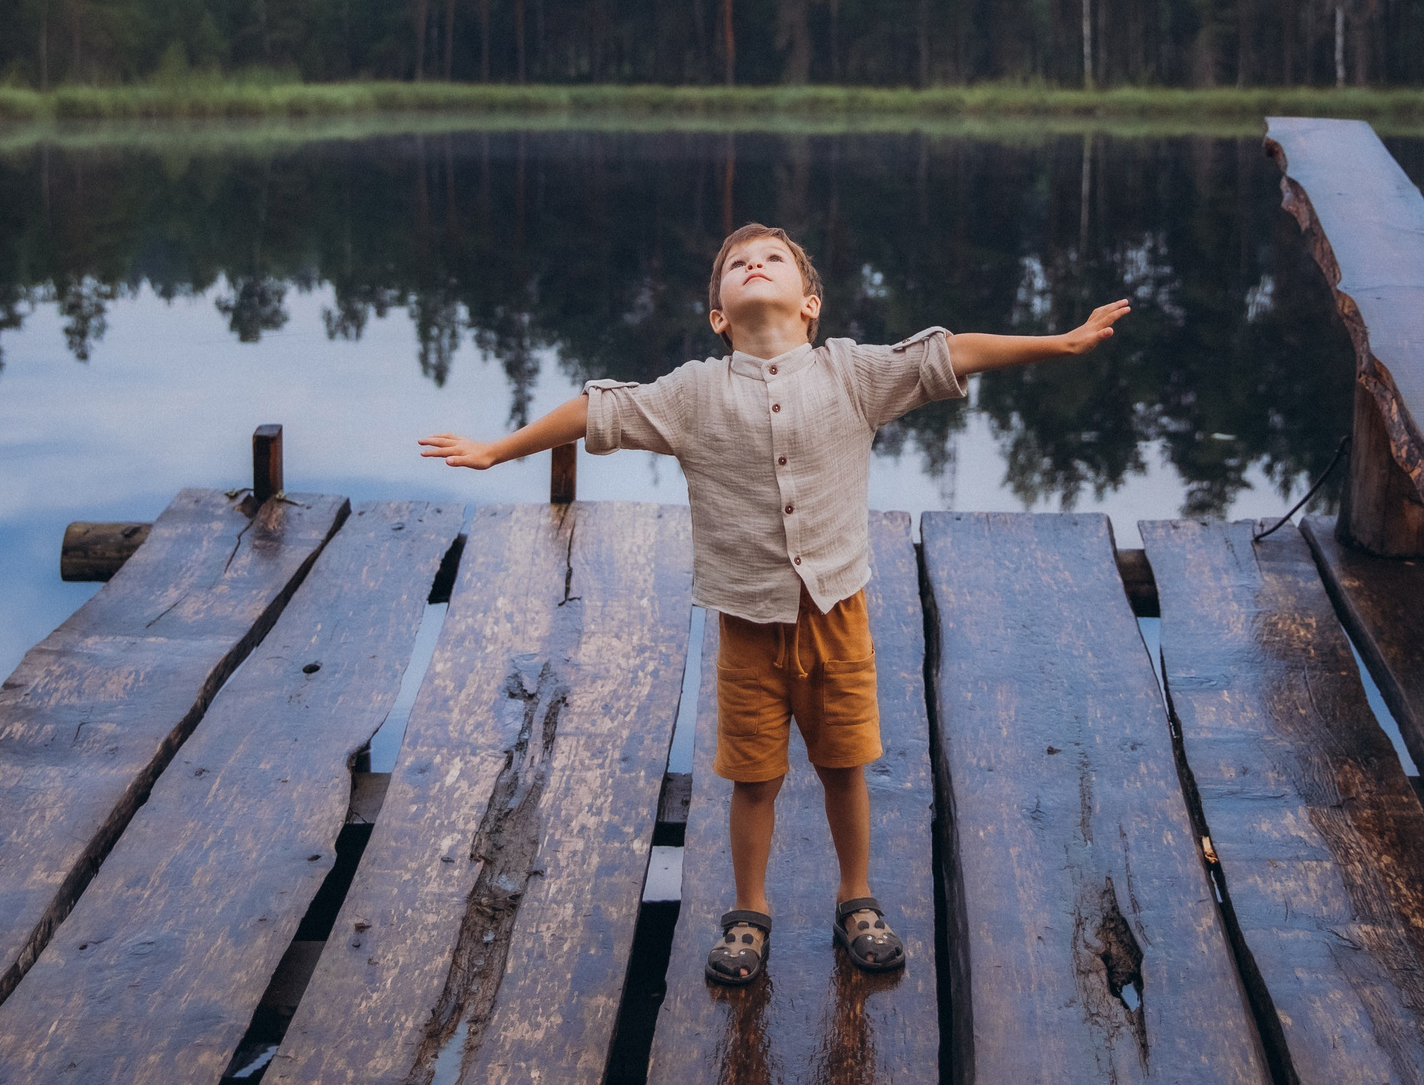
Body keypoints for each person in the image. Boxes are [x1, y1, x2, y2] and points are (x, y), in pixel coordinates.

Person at [419, 222, 1127, 985]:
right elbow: (597, 411)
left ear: (810, 303)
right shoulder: (692, 394)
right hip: (747, 627)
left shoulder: (852, 373)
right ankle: (749, 912)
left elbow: (949, 354)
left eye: (773, 260)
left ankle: (856, 899)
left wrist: (1059, 344)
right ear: (718, 316)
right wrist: (497, 449)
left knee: (844, 767)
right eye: (739, 264)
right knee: (753, 778)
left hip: (838, 619)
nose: (755, 265)